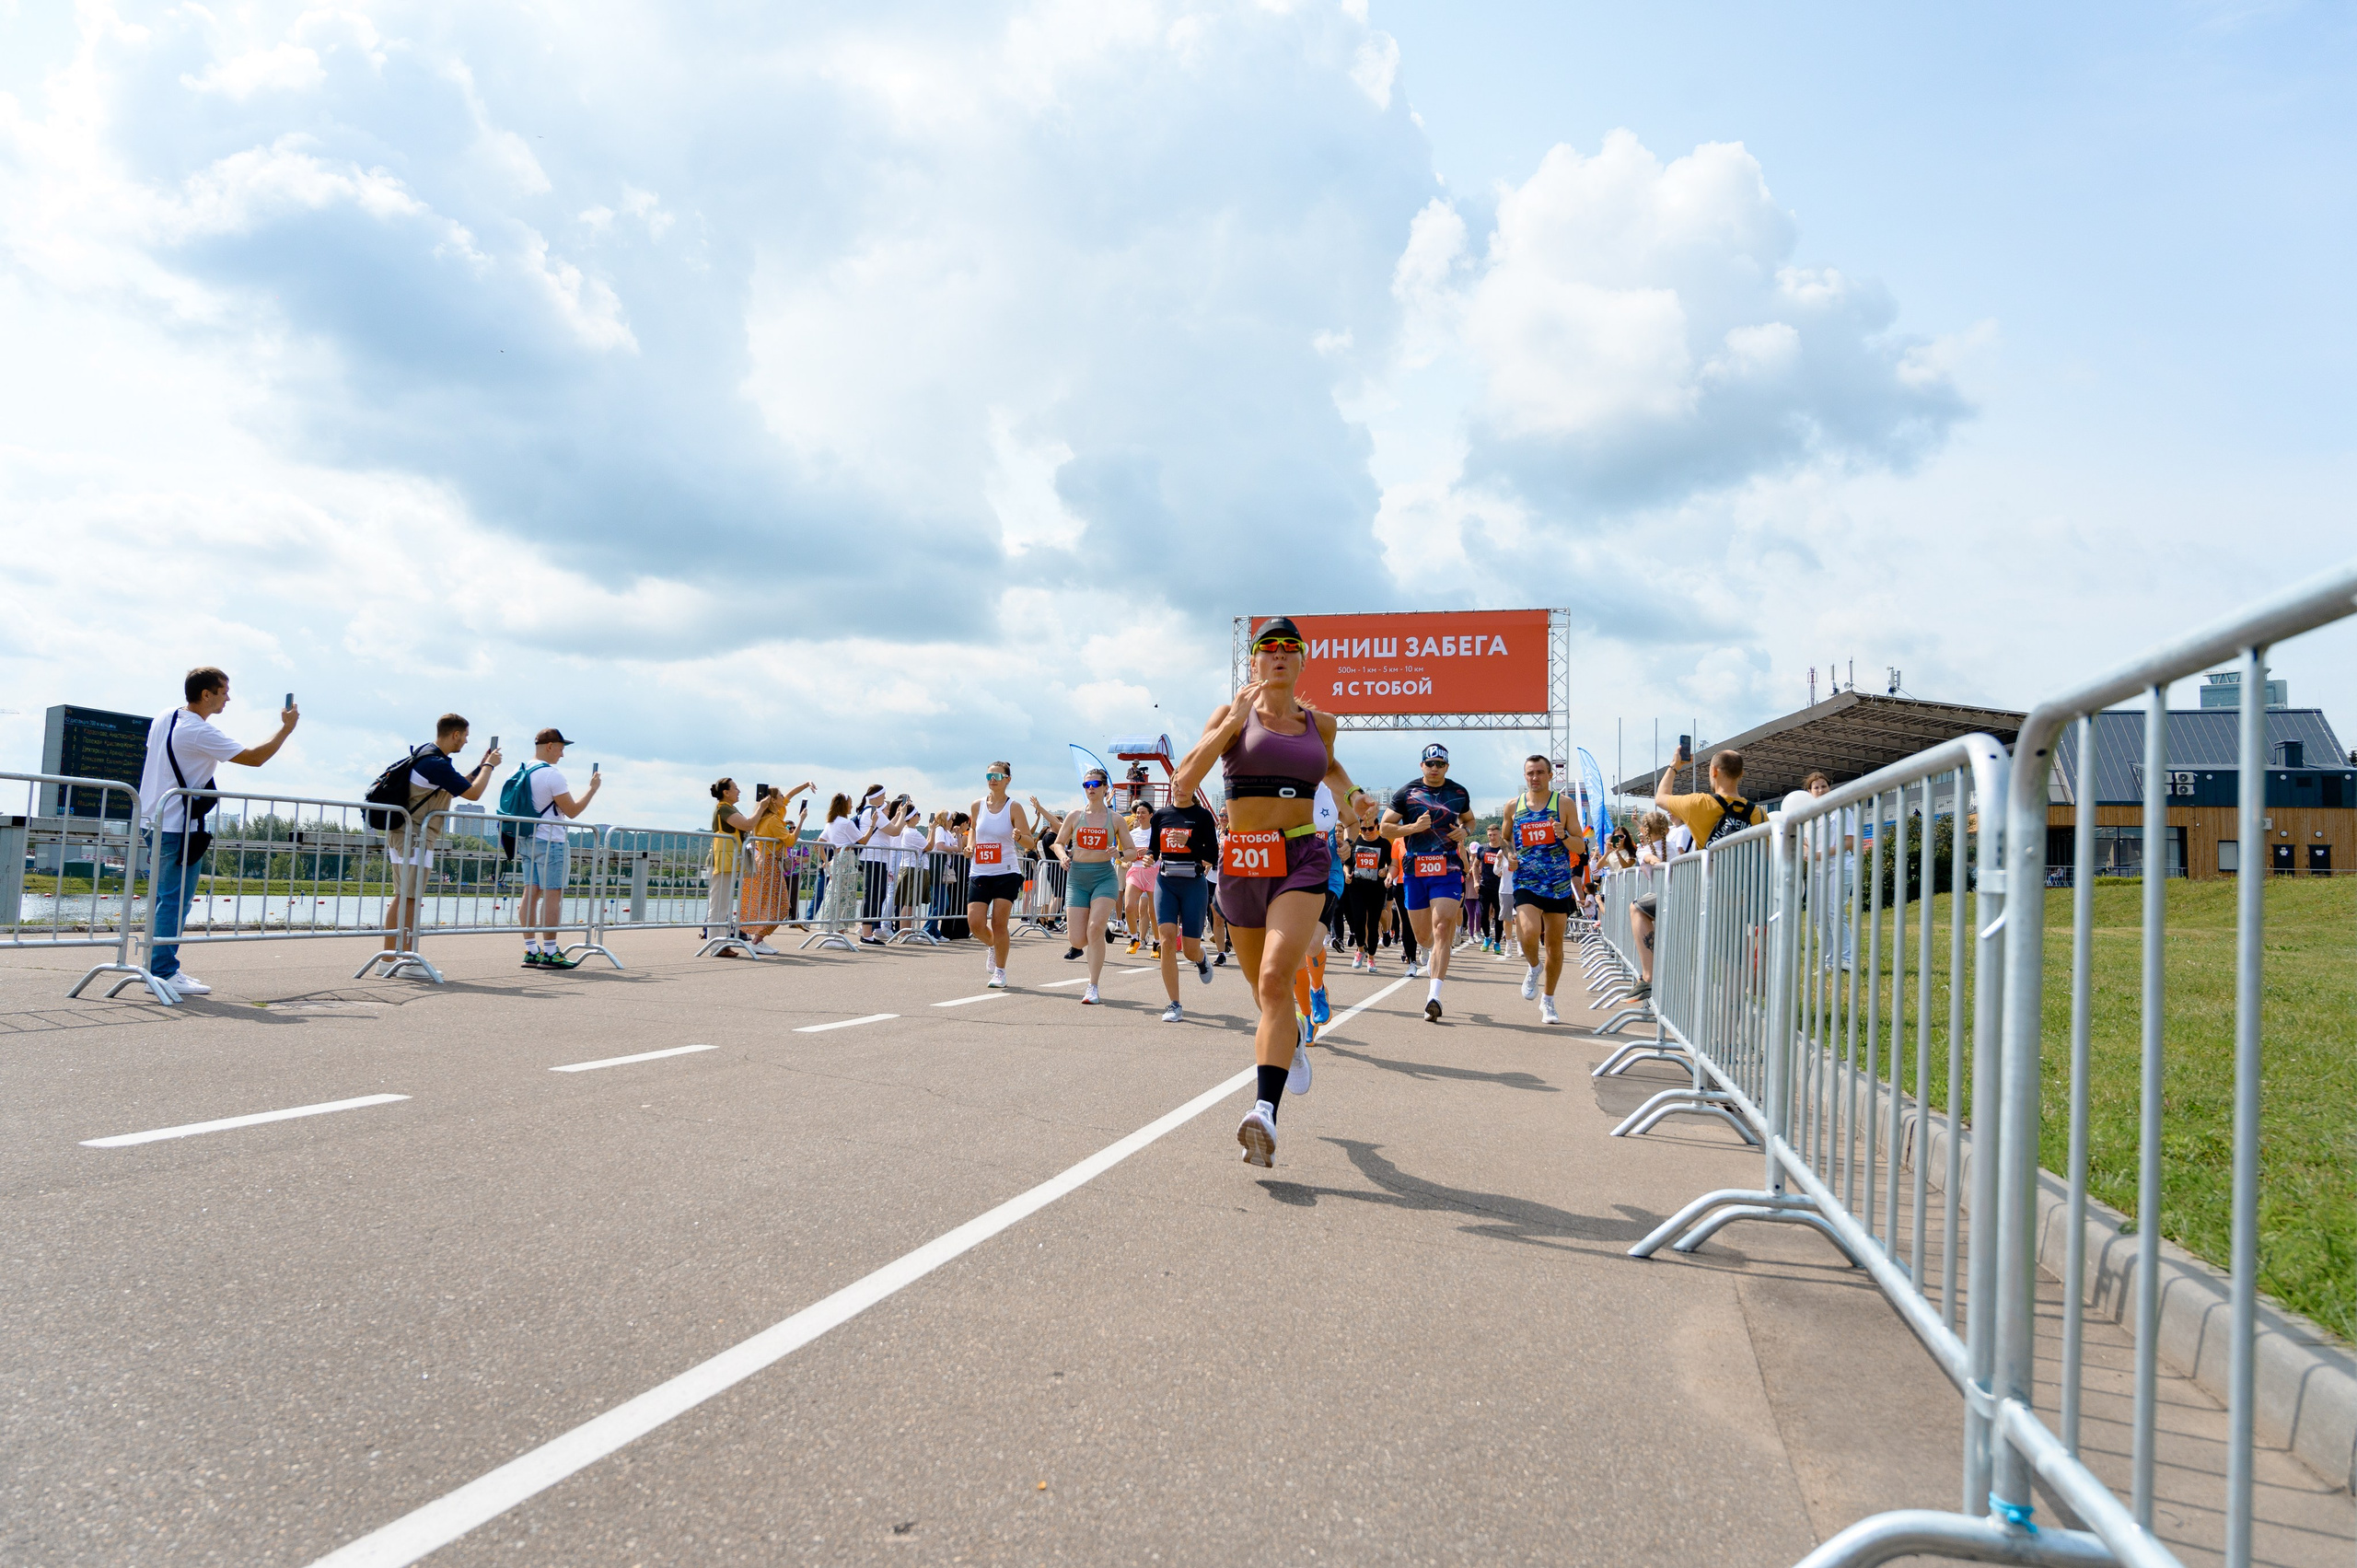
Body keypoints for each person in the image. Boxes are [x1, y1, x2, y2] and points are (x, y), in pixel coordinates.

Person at [1171, 617, 1357, 1168]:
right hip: (1243, 861)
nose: (1278, 655)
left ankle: (1264, 1112)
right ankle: (1292, 1040)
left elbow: (1337, 774)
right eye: (1267, 648)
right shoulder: (1232, 717)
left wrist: (1356, 802)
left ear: (1302, 660)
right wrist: (1228, 724)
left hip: (1301, 856)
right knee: (1262, 992)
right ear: (1253, 661)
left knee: (1278, 977)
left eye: (1288, 648)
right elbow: (1183, 784)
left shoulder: (1320, 724)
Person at [135, 668, 299, 997]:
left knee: (165, 899)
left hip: (152, 818)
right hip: (177, 826)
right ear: (206, 694)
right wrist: (286, 729)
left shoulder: (166, 716)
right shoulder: (197, 731)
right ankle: (162, 972)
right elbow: (254, 758)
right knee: (175, 902)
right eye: (223, 691)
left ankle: (158, 967)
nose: (228, 697)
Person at [377, 714, 503, 960]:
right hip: (414, 835)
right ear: (455, 734)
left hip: (406, 832)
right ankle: (397, 958)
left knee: (406, 895)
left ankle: (398, 957)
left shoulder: (428, 756)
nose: (466, 742)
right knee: (407, 897)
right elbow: (474, 793)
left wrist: (480, 766)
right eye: (465, 736)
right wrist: (490, 766)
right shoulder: (436, 764)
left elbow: (458, 786)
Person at [1383, 743, 1469, 1019]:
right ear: (1422, 765)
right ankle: (1432, 951)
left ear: (1447, 766)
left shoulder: (1458, 792)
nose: (1434, 768)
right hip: (1415, 870)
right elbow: (1385, 828)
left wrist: (1464, 832)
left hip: (1448, 868)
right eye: (1429, 763)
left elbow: (1469, 820)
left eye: (1440, 764)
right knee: (1423, 935)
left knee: (1443, 926)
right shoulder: (1406, 793)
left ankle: (1434, 994)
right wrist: (1412, 828)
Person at [1505, 754, 1585, 1025]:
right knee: (1526, 932)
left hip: (1558, 882)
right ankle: (1533, 966)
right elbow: (1506, 841)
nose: (1535, 777)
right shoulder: (1513, 807)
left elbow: (1580, 847)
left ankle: (1548, 1000)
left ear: (1550, 775)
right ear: (1524, 776)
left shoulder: (1563, 804)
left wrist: (1564, 835)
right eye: (1530, 773)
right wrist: (1510, 856)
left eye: (1540, 772)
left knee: (1555, 946)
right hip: (1527, 880)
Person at [514, 727, 600, 968]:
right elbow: (572, 811)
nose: (562, 755)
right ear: (550, 746)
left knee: (530, 893)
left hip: (526, 838)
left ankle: (531, 950)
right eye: (561, 749)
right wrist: (592, 789)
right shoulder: (552, 775)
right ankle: (551, 952)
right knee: (553, 894)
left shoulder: (520, 770)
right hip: (551, 840)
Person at [1056, 767, 1132, 1005]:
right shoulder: (1074, 815)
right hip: (1077, 878)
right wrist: (1063, 856)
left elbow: (1130, 851)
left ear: (1105, 787)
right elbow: (1058, 843)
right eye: (1086, 785)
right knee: (1078, 939)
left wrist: (1117, 851)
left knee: (1095, 927)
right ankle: (1095, 935)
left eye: (1095, 785)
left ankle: (1093, 986)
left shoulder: (1116, 819)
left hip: (1103, 877)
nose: (1090, 789)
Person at [1149, 788, 1220, 1021]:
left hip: (1193, 883)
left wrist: (1189, 841)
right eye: (1176, 783)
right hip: (1166, 881)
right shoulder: (1160, 816)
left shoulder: (1203, 816)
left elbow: (1212, 853)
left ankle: (1201, 958)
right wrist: (1150, 856)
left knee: (1189, 950)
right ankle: (1174, 1004)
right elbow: (1154, 849)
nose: (1180, 788)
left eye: (1185, 783)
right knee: (1167, 939)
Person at [967, 762, 1039, 989]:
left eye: (997, 775)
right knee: (975, 923)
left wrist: (1019, 837)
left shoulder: (1014, 807)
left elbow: (1030, 842)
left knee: (999, 923)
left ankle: (1000, 971)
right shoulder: (977, 805)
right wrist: (970, 846)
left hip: (1006, 871)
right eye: (989, 774)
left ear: (1008, 779)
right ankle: (992, 946)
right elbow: (975, 832)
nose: (992, 778)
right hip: (980, 870)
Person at [738, 784, 809, 948]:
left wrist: (806, 785)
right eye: (780, 796)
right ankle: (757, 940)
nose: (783, 798)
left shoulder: (765, 816)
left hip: (763, 861)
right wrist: (801, 820)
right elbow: (791, 841)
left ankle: (758, 939)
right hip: (770, 864)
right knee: (782, 906)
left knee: (765, 904)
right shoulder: (773, 820)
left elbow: (790, 795)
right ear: (773, 801)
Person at [705, 778, 758, 946]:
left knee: (723, 905)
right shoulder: (724, 810)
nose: (739, 791)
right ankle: (716, 944)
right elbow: (748, 824)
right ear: (726, 792)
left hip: (728, 861)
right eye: (736, 788)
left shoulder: (729, 808)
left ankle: (721, 941)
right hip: (722, 861)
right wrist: (762, 807)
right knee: (719, 905)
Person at [1341, 791, 1387, 971]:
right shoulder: (1356, 842)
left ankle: (1372, 958)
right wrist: (1347, 873)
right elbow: (1348, 864)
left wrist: (1386, 871)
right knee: (1358, 920)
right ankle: (1360, 950)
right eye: (1364, 829)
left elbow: (1391, 864)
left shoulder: (1384, 844)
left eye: (1371, 829)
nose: (1367, 832)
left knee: (1373, 922)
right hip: (1357, 887)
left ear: (1377, 827)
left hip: (1376, 888)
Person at [1122, 799, 1158, 955]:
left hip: (1153, 872)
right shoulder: (1132, 834)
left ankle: (1157, 942)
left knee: (1153, 912)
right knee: (1129, 906)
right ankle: (1134, 938)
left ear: (1151, 814)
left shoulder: (1157, 832)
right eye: (1138, 813)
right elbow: (1125, 856)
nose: (1140, 815)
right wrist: (1128, 861)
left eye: (1143, 813)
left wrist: (1150, 853)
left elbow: (1162, 853)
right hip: (1136, 872)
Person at [1476, 824, 1506, 952]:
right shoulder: (1482, 848)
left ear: (1499, 834)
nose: (1492, 837)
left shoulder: (1504, 849)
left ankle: (1497, 942)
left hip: (1500, 887)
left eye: (1494, 835)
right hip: (1485, 885)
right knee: (1483, 914)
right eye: (1490, 835)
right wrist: (1476, 882)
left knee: (1499, 915)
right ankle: (1487, 937)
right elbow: (1475, 865)